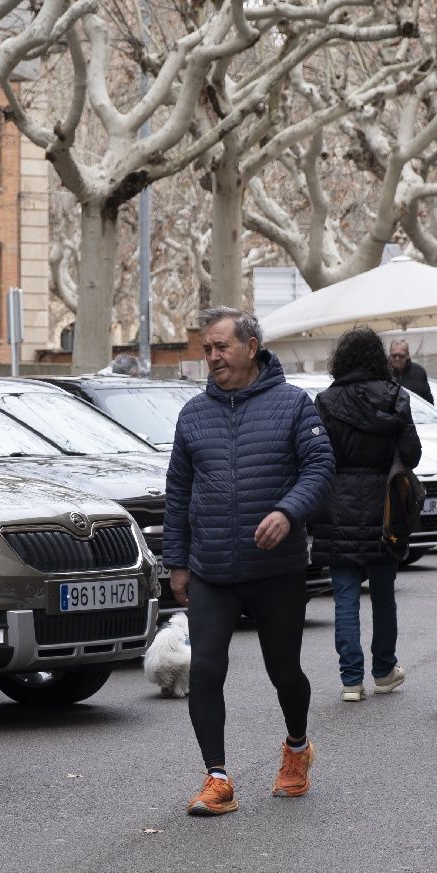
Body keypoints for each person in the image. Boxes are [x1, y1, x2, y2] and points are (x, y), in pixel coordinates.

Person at [164, 307, 333, 816]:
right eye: (207, 348)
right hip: (212, 567)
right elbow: (178, 492)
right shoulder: (193, 414)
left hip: (274, 568)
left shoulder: (292, 405)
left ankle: (297, 749)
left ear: (251, 346)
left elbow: (321, 468)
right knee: (206, 670)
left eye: (222, 347)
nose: (212, 356)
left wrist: (289, 510)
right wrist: (177, 561)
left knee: (284, 671)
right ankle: (216, 777)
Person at [311, 327, 421, 704]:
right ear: (378, 358)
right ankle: (384, 670)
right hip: (385, 505)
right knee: (384, 594)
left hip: (338, 505)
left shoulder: (325, 401)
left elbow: (317, 457)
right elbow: (413, 453)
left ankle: (350, 679)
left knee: (344, 595)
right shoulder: (396, 397)